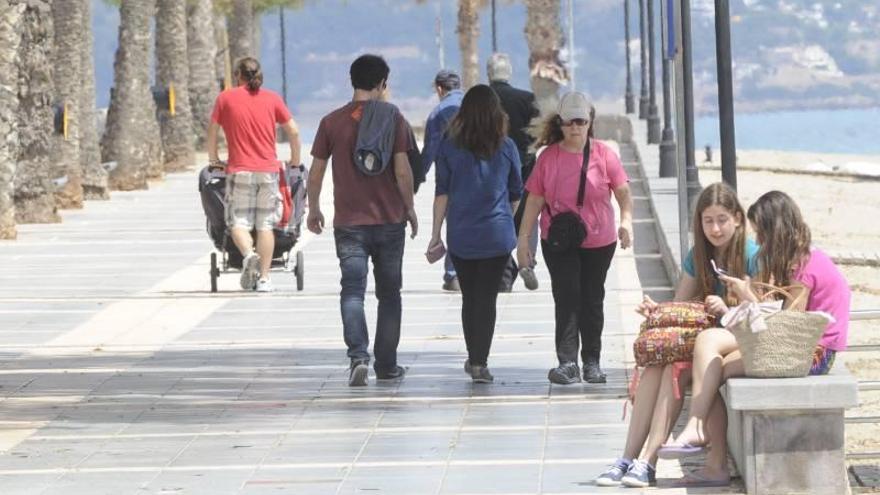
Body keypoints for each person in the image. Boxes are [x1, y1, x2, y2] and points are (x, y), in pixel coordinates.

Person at [659, 190, 851, 487]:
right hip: (797, 346)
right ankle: (704, 443)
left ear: (775, 229)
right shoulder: (799, 259)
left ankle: (708, 449)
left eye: (761, 233)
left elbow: (788, 324)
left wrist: (747, 296)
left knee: (712, 365)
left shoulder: (804, 266)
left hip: (813, 353)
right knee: (708, 356)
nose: (758, 241)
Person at [594, 182, 759, 488]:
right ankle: (630, 458)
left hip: (742, 334)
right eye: (708, 220)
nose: (716, 228)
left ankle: (648, 459)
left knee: (677, 367)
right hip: (710, 338)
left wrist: (726, 306)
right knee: (661, 364)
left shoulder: (751, 255)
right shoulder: (700, 254)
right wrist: (658, 310)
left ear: (737, 218)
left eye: (722, 219)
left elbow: (762, 312)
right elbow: (681, 303)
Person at [306, 54, 418, 387]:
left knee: (352, 291)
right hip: (388, 220)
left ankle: (358, 356)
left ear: (351, 80)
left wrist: (313, 208)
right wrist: (409, 207)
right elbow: (402, 169)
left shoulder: (331, 121)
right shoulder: (393, 118)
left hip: (349, 223)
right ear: (383, 83)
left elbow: (315, 174)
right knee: (389, 294)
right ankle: (387, 365)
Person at [516, 92, 633, 385]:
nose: (574, 128)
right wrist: (523, 239)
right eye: (569, 122)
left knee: (592, 298)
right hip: (558, 240)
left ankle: (592, 361)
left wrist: (627, 222)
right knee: (567, 296)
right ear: (561, 123)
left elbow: (623, 193)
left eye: (580, 121)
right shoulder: (548, 158)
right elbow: (534, 200)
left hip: (599, 240)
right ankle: (568, 362)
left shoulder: (604, 155)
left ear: (589, 122)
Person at [428, 84, 523, 383]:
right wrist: (507, 219)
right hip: (496, 235)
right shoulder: (507, 146)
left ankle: (475, 358)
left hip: (462, 234)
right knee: (488, 300)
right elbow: (516, 193)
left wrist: (435, 235)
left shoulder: (449, 145)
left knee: (470, 298)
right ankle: (480, 361)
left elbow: (442, 193)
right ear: (497, 114)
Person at [207, 57, 302, 292]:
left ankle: (249, 255)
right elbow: (294, 130)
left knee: (238, 222)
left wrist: (213, 158)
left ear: (238, 74)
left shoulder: (225, 98)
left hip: (239, 170)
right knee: (265, 226)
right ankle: (265, 279)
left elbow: (212, 129)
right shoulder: (272, 98)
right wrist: (296, 159)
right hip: (268, 172)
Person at [487, 53, 540, 292]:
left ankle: (503, 272)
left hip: (490, 169)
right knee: (528, 217)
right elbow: (538, 133)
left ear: (489, 74)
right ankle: (527, 260)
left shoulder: (482, 100)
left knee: (497, 218)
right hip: (526, 165)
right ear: (508, 73)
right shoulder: (527, 99)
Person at [422, 70, 464, 292]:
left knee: (454, 222)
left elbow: (430, 150)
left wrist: (417, 177)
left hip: (449, 177)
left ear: (439, 89)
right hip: (480, 174)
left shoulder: (438, 113)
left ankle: (453, 273)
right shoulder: (474, 106)